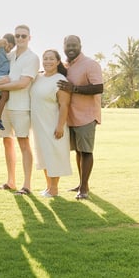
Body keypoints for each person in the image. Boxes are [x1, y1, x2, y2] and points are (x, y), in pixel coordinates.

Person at [0, 24, 39, 195]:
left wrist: (0, 83)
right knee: (7, 142)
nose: (20, 39)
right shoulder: (9, 55)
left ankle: (26, 185)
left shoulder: (32, 58)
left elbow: (23, 83)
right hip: (5, 108)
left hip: (21, 107)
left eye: (23, 36)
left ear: (29, 38)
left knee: (24, 143)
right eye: (17, 35)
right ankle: (10, 181)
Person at [56, 35, 104, 200]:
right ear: (63, 47)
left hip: (87, 115)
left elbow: (99, 87)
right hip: (71, 116)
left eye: (74, 45)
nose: (71, 48)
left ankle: (83, 188)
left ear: (80, 46)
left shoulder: (90, 64)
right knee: (78, 151)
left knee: (86, 151)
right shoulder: (66, 66)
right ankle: (82, 183)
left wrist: (74, 88)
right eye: (68, 45)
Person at [30, 49, 72, 197]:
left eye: (51, 59)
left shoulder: (60, 80)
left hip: (52, 124)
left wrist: (60, 126)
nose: (47, 61)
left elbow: (64, 105)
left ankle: (54, 189)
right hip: (39, 125)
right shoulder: (38, 77)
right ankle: (48, 186)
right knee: (43, 155)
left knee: (53, 154)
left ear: (58, 62)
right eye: (45, 58)